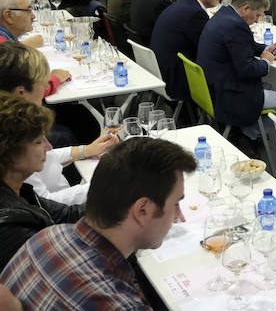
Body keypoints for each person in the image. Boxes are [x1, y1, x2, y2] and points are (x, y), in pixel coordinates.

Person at [1, 137, 197, 310]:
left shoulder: (45, 237)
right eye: (176, 204)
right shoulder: (119, 304)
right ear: (142, 210)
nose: (178, 215)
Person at [0, 42, 117, 205]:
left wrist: (85, 150)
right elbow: (46, 204)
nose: (45, 89)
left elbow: (47, 155)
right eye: (42, 83)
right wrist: (109, 184)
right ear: (21, 92)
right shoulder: (14, 138)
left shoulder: (16, 126)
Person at [0, 93, 83, 269]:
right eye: (39, 142)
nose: (49, 147)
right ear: (10, 153)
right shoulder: (13, 227)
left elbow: (66, 214)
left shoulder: (21, 191)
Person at [197, 0, 276, 138]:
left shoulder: (224, 14)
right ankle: (250, 133)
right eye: (257, 15)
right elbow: (247, 70)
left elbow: (242, 45)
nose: (257, 21)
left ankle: (248, 131)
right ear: (246, 8)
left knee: (270, 88)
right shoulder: (236, 26)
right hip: (230, 96)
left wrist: (266, 48)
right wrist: (265, 62)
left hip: (213, 87)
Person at [151, 0, 222, 101]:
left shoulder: (182, 5)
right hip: (177, 80)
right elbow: (209, 51)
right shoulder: (196, 14)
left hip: (162, 72)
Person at [0, 0, 70, 97]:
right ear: (9, 16)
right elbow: (30, 92)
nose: (33, 16)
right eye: (28, 10)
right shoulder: (6, 52)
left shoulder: (6, 39)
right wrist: (56, 77)